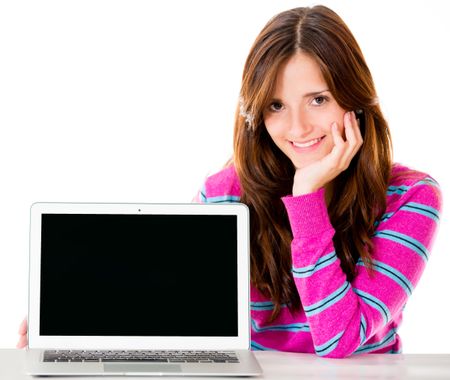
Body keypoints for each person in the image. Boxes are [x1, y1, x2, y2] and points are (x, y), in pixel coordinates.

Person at [18, 5, 441, 358]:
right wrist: (79, 329)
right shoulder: (225, 193)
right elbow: (184, 315)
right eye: (276, 105)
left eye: (318, 99)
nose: (297, 127)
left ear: (355, 98)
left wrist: (306, 197)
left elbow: (339, 340)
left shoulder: (411, 197)